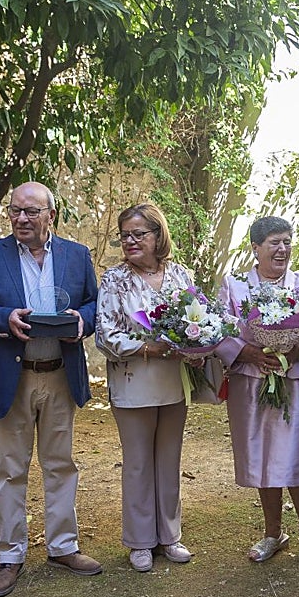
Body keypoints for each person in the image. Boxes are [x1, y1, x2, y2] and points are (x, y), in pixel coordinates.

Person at [0, 181, 102, 597]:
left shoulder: (77, 255)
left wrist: (82, 322)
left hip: (60, 374)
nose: (21, 218)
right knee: (9, 469)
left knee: (61, 464)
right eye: (15, 210)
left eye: (31, 211)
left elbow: (94, 304)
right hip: (11, 377)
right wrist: (3, 318)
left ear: (50, 215)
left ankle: (63, 547)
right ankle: (9, 556)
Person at [216, 217, 299, 568]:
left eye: (287, 241)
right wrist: (248, 352)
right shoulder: (235, 285)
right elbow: (219, 328)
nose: (283, 249)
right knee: (262, 458)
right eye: (274, 242)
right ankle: (273, 533)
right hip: (252, 383)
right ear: (255, 248)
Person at [94, 203, 196, 572]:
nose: (131, 241)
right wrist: (147, 348)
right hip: (133, 381)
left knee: (169, 460)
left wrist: (197, 346)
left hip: (173, 381)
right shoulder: (114, 279)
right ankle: (140, 541)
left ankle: (169, 536)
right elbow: (105, 334)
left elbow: (200, 319)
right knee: (138, 464)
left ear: (157, 235)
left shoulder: (180, 275)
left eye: (139, 234)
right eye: (125, 236)